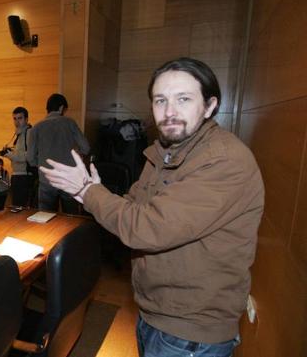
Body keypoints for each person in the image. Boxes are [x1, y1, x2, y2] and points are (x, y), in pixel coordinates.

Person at [40, 57, 265, 357]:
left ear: (210, 106)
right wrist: (89, 193)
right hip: (155, 314)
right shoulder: (164, 152)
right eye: (160, 100)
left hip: (190, 334)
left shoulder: (223, 161)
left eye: (183, 99)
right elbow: (133, 207)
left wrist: (88, 191)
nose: (169, 112)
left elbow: (145, 228)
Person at [27, 93, 90, 214]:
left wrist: (40, 164)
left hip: (47, 180)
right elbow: (86, 148)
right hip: (68, 180)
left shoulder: (36, 128)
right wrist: (77, 154)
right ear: (61, 108)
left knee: (45, 218)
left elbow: (30, 158)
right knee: (70, 218)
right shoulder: (70, 123)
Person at [2, 106, 34, 208]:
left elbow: (29, 155)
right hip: (17, 175)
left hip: (25, 176)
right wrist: (10, 152)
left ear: (26, 119)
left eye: (20, 118)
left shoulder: (29, 133)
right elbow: (21, 153)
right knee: (16, 207)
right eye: (14, 119)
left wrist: (11, 155)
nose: (16, 122)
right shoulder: (19, 134)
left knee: (21, 209)